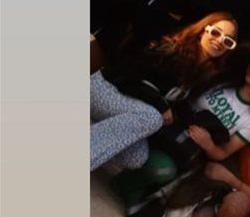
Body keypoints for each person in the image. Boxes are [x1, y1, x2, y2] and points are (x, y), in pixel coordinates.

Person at [91, 11, 238, 171]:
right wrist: (160, 105)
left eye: (227, 41)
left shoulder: (201, 74)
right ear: (203, 30)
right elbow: (124, 74)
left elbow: (177, 106)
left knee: (136, 158)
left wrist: (210, 127)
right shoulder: (173, 49)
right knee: (152, 118)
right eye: (216, 32)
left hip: (122, 108)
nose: (220, 41)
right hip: (103, 88)